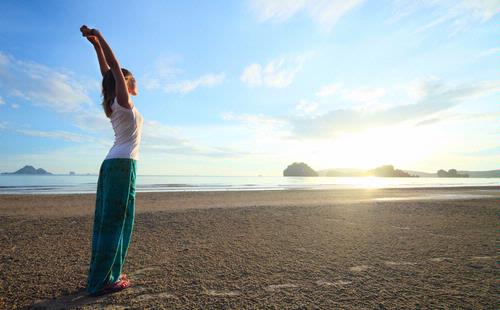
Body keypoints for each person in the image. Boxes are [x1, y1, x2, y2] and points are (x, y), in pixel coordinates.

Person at [80, 25, 144, 296]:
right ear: (124, 83)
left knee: (111, 222)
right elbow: (114, 67)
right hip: (122, 166)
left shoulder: (114, 104)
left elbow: (107, 72)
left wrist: (94, 45)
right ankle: (103, 281)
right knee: (117, 223)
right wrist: (101, 35)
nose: (131, 82)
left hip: (111, 166)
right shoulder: (123, 101)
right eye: (127, 80)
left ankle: (109, 274)